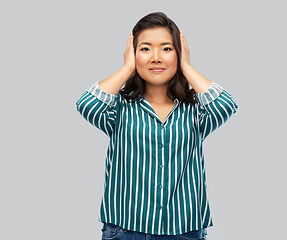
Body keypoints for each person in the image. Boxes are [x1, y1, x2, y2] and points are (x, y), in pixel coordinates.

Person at [76, 12, 238, 240]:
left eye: (167, 48)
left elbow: (226, 105)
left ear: (178, 54)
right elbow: (87, 103)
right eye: (145, 49)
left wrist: (187, 67)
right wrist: (127, 68)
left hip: (184, 230)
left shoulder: (195, 111)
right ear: (132, 55)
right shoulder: (119, 109)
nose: (156, 57)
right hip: (125, 229)